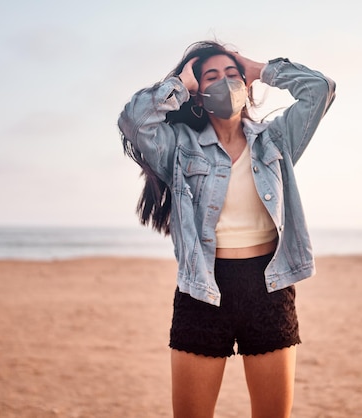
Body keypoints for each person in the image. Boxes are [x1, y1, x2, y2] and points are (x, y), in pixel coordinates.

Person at [117, 40, 335, 418]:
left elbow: (320, 89)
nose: (224, 82)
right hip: (203, 291)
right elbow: (134, 121)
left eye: (232, 75)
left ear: (246, 86)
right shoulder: (180, 148)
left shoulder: (276, 139)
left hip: (268, 287)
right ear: (199, 96)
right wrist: (181, 84)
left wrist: (261, 69)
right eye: (211, 77)